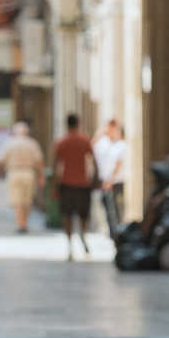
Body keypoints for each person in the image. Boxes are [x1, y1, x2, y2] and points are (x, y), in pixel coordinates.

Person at [53, 112, 96, 261]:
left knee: (68, 216)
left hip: (67, 183)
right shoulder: (85, 140)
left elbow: (56, 164)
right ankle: (83, 236)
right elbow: (93, 159)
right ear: (78, 123)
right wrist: (95, 179)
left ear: (67, 124)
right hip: (83, 183)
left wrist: (55, 185)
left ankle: (70, 246)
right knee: (83, 214)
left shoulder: (62, 142)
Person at [1, 121, 45, 233]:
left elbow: (2, 159)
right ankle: (24, 223)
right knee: (27, 199)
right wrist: (41, 175)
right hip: (28, 172)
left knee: (18, 200)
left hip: (14, 172)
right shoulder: (32, 143)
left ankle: (20, 224)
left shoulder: (10, 143)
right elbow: (39, 160)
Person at [93, 117, 128, 234]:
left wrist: (110, 180)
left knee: (116, 209)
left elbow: (118, 164)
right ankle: (114, 233)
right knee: (108, 209)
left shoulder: (121, 145)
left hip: (116, 182)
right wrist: (101, 133)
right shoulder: (105, 143)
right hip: (105, 181)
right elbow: (92, 147)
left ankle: (118, 233)